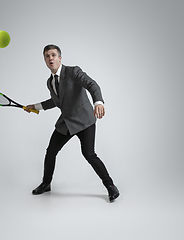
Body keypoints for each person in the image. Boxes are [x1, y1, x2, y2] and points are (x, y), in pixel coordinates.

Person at [25, 44, 119, 202]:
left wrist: (98, 103)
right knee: (51, 152)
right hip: (66, 122)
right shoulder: (50, 82)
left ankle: (110, 186)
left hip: (84, 120)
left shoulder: (73, 71)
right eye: (47, 56)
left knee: (89, 154)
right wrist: (36, 107)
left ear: (60, 58)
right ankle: (46, 183)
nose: (50, 58)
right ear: (45, 60)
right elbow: (55, 101)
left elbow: (92, 85)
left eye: (53, 55)